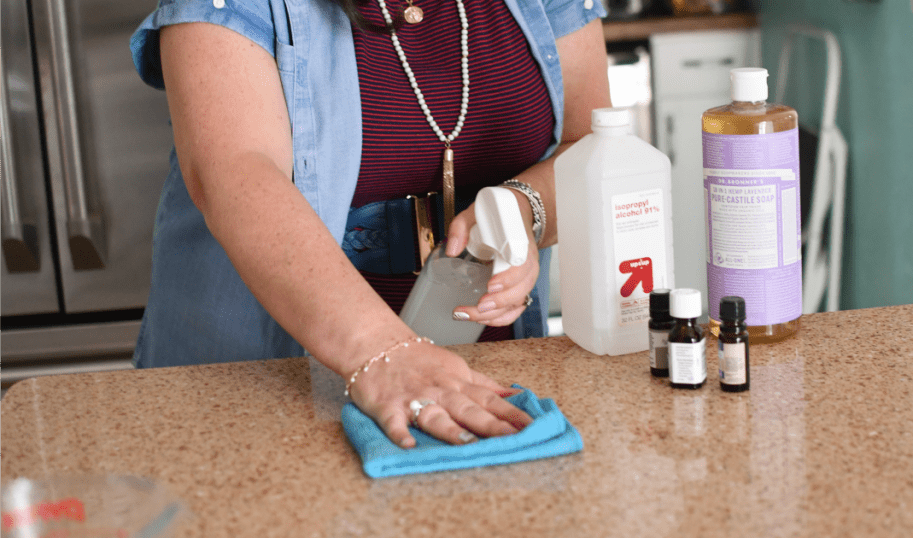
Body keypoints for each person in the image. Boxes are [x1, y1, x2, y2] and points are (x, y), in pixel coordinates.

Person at [129, 0, 612, 448]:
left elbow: (589, 145)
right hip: (260, 393)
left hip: (477, 385)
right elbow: (234, 170)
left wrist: (525, 209)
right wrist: (384, 354)